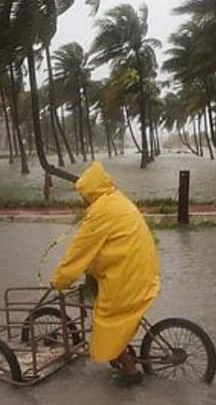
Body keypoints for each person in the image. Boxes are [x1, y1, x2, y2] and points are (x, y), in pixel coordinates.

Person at [50, 161, 160, 386]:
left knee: (105, 322)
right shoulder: (116, 199)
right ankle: (123, 352)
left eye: (83, 194)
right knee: (117, 315)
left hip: (128, 276)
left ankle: (130, 371)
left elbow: (79, 251)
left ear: (91, 191)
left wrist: (59, 281)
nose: (82, 199)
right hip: (142, 270)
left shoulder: (101, 211)